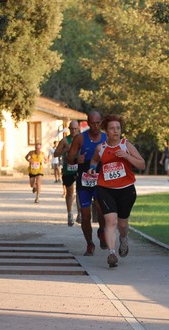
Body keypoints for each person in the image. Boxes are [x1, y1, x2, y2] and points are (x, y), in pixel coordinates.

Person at [87, 115, 145, 267]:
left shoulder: (126, 145)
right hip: (105, 189)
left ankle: (124, 238)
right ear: (106, 131)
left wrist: (127, 156)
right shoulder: (101, 148)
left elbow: (142, 164)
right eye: (112, 128)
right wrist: (92, 169)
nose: (116, 131)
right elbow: (94, 161)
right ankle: (111, 253)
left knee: (123, 224)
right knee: (111, 221)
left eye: (118, 128)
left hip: (126, 189)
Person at [67, 110, 107, 256]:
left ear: (101, 122)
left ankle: (102, 231)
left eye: (98, 123)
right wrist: (77, 159)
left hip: (101, 181)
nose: (95, 126)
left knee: (102, 211)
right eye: (92, 123)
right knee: (85, 216)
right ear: (88, 123)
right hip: (84, 183)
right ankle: (89, 243)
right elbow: (69, 159)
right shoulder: (80, 138)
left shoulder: (106, 137)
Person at [54, 120, 81, 226]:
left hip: (79, 168)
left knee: (80, 191)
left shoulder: (82, 139)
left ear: (78, 128)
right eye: (72, 129)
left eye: (75, 129)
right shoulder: (65, 140)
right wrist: (65, 149)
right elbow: (55, 154)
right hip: (68, 169)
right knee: (70, 192)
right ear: (69, 129)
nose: (74, 131)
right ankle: (70, 214)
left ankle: (80, 214)